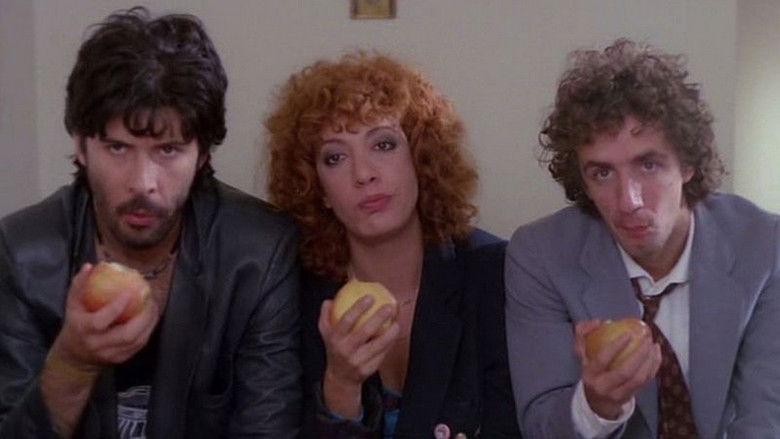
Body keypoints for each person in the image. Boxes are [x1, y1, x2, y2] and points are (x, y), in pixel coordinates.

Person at [0, 7, 301, 438]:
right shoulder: (22, 253)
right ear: (82, 147)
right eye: (118, 148)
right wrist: (73, 361)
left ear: (203, 155)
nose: (143, 183)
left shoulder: (259, 252)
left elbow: (267, 427)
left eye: (168, 150)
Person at [505, 37, 780, 438]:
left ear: (687, 163)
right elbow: (539, 426)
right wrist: (596, 405)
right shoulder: (541, 255)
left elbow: (765, 417)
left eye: (648, 165)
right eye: (602, 173)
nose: (628, 201)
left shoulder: (763, 245)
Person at [265, 52, 521, 438]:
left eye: (383, 145)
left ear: (421, 158)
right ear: (317, 189)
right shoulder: (291, 294)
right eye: (335, 157)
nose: (363, 174)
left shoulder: (494, 273)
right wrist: (342, 385)